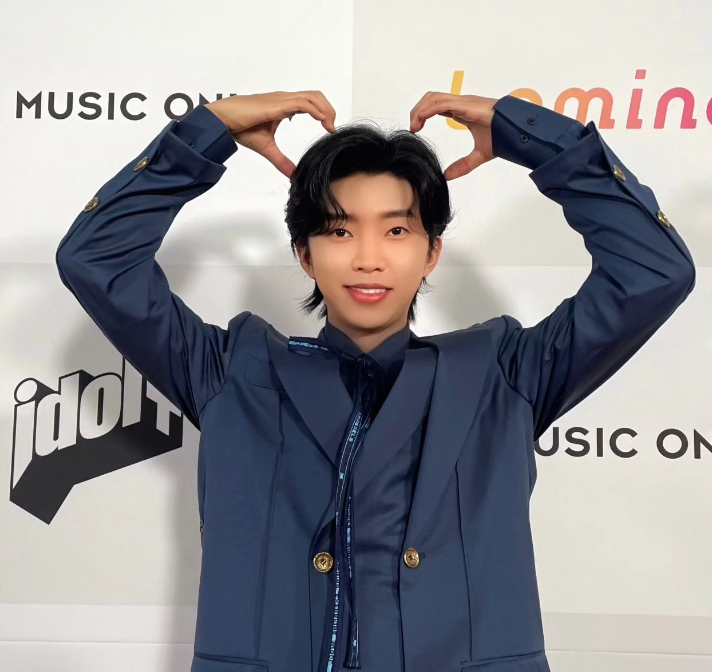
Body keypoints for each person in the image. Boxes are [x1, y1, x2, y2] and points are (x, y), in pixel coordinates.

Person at [55, 90, 695, 672]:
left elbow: (654, 273)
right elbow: (95, 261)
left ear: (431, 251)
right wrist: (207, 131)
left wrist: (535, 139)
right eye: (339, 230)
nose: (368, 257)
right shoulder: (232, 372)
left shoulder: (504, 375)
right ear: (305, 254)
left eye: (396, 230)